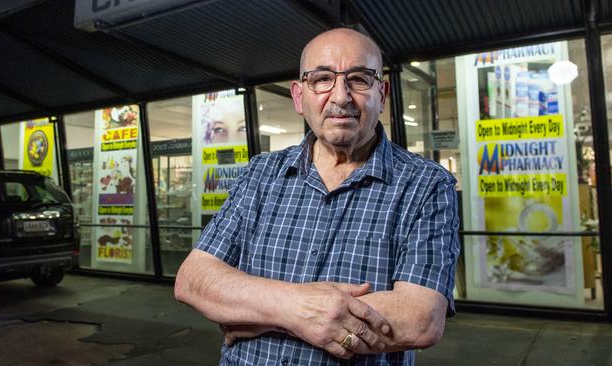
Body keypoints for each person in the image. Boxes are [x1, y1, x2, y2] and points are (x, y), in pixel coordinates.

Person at [175, 28, 460, 365]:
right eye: (322, 78)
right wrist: (293, 308)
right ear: (299, 97)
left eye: (358, 79)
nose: (340, 96)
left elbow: (419, 318)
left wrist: (254, 313)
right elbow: (193, 279)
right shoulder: (259, 175)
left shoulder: (426, 184)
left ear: (381, 94)